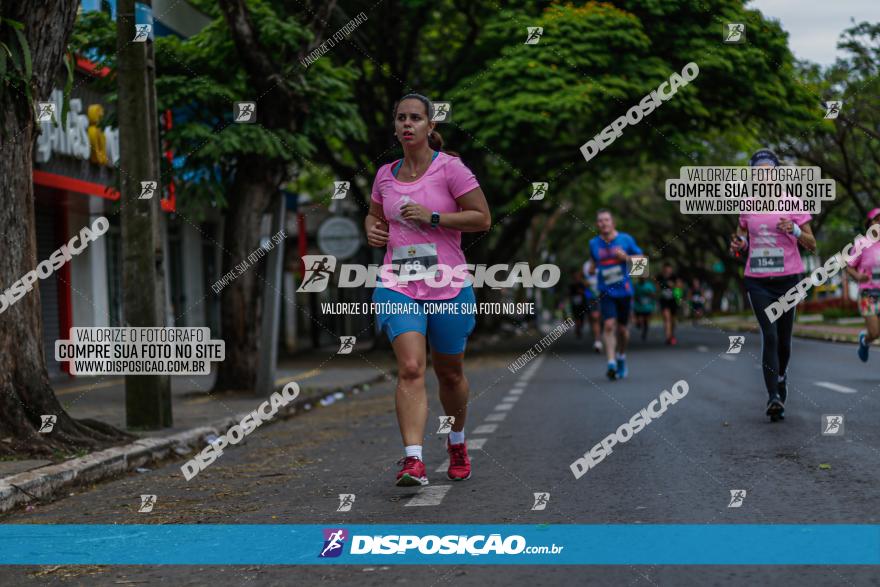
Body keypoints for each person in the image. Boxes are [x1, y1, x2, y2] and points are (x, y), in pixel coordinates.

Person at [365, 93, 491, 486]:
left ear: (430, 126)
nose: (407, 124)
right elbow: (374, 216)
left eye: (415, 118)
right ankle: (413, 460)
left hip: (447, 285)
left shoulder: (451, 169)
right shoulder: (385, 174)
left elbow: (481, 218)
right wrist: (371, 229)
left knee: (450, 374)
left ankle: (456, 441)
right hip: (398, 283)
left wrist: (434, 216)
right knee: (411, 367)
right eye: (401, 117)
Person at [729, 148, 816, 421]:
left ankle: (781, 376)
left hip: (789, 279)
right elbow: (740, 240)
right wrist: (738, 245)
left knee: (784, 340)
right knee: (770, 335)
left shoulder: (793, 201)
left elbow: (812, 244)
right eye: (758, 173)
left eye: (768, 171)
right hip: (758, 281)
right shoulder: (748, 205)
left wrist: (796, 229)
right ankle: (773, 398)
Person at [588, 209, 643, 379]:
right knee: (609, 325)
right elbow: (593, 263)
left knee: (623, 331)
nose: (603, 223)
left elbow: (642, 266)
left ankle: (621, 357)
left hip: (624, 291)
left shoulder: (626, 240)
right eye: (600, 220)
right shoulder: (593, 243)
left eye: (606, 220)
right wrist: (591, 269)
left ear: (613, 223)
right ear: (597, 224)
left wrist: (626, 257)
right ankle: (611, 362)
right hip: (606, 292)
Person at [845, 208, 880, 362]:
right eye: (877, 219)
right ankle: (865, 340)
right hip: (868, 294)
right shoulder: (861, 243)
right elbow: (849, 266)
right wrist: (858, 276)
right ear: (870, 223)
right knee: (874, 333)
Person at [656, 263, 679, 345]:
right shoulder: (659, 277)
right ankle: (668, 337)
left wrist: (673, 285)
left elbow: (679, 286)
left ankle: (672, 334)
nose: (667, 272)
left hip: (673, 300)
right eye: (665, 270)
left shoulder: (674, 276)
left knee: (673, 320)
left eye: (668, 270)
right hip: (664, 300)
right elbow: (656, 288)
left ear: (671, 270)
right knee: (666, 317)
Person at [583, 259, 603, 352]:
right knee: (595, 317)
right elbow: (585, 279)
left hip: (604, 294)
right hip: (592, 295)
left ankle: (602, 334)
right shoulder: (586, 265)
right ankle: (597, 340)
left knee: (605, 319)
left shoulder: (604, 262)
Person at [569, 268, 588, 338]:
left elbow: (585, 289)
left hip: (582, 302)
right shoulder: (572, 284)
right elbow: (570, 294)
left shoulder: (582, 283)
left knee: (582, 316)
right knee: (577, 316)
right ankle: (578, 327)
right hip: (574, 303)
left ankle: (579, 327)